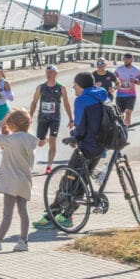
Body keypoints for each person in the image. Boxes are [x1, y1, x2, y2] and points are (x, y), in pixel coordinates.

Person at [34, 72, 109, 229]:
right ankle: (66, 215)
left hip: (88, 146)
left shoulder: (81, 100)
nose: (73, 86)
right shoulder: (102, 94)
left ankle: (53, 215)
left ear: (80, 85)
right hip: (100, 146)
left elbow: (80, 126)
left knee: (68, 179)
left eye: (74, 84)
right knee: (79, 182)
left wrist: (74, 136)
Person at [0, 108, 38, 252]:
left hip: (11, 181)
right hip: (24, 181)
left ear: (13, 124)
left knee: (7, 214)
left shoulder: (11, 140)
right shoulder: (30, 140)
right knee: (23, 211)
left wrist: (0, 123)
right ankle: (23, 242)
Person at [28, 64, 73, 175]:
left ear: (56, 74)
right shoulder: (40, 87)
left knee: (53, 141)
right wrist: (30, 116)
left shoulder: (61, 88)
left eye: (51, 72)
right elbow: (34, 102)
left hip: (55, 119)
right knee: (40, 143)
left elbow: (66, 103)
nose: (49, 74)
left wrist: (71, 119)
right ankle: (46, 138)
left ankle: (49, 166)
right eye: (47, 72)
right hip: (42, 118)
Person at [113, 53, 140, 127]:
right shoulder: (119, 69)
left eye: (128, 59)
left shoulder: (136, 70)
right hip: (120, 95)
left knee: (128, 111)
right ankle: (121, 126)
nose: (126, 60)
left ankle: (127, 126)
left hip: (131, 95)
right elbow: (114, 79)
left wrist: (135, 81)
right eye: (125, 59)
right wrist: (114, 86)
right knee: (120, 113)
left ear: (132, 60)